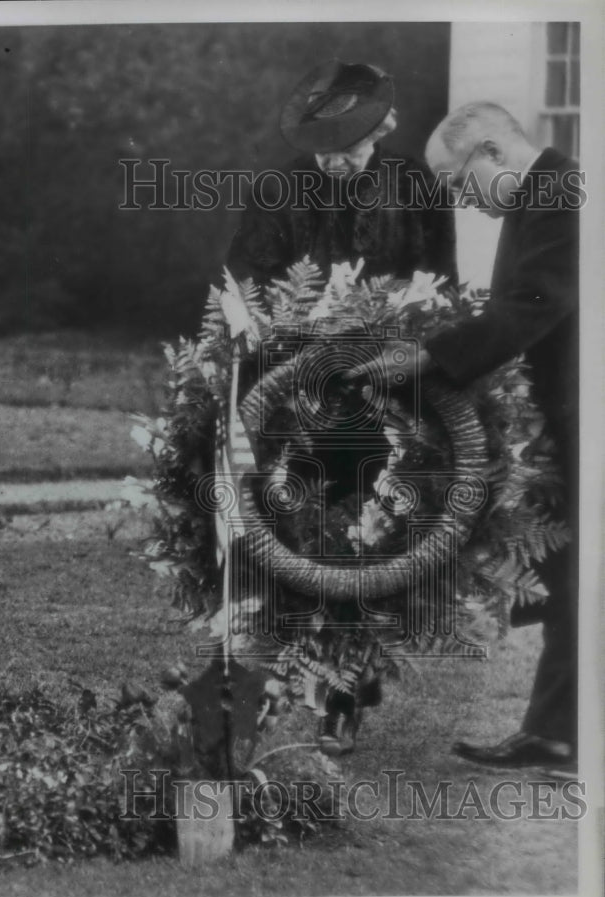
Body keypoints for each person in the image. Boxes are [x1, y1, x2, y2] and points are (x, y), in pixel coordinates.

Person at [372, 102, 580, 770]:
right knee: (571, 582)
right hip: (569, 417)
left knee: (584, 582)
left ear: (492, 151)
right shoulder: (536, 202)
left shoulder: (559, 194)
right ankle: (556, 733)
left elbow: (536, 307)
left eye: (461, 183)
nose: (461, 200)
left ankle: (568, 738)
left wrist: (431, 357)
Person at [226, 61, 455, 286]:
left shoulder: (420, 184)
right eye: (322, 151)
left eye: (348, 150)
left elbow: (440, 283)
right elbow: (249, 283)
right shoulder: (275, 190)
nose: (334, 163)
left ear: (376, 134)